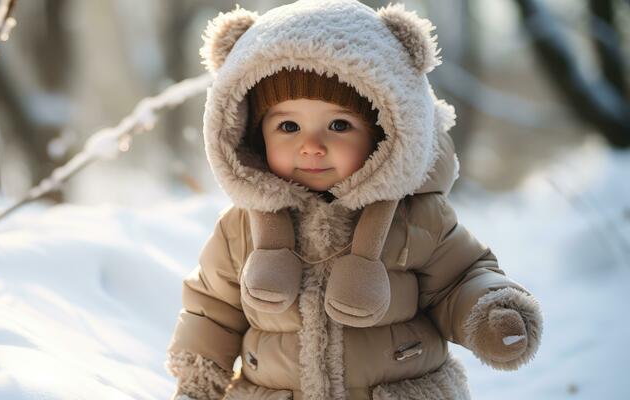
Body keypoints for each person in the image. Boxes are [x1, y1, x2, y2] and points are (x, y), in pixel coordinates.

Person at [166, 1, 543, 399]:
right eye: (288, 126)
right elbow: (213, 311)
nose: (311, 146)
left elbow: (459, 280)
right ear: (254, 135)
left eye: (339, 124)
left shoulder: (416, 218)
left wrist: (488, 314)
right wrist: (198, 378)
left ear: (384, 132)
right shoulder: (240, 228)